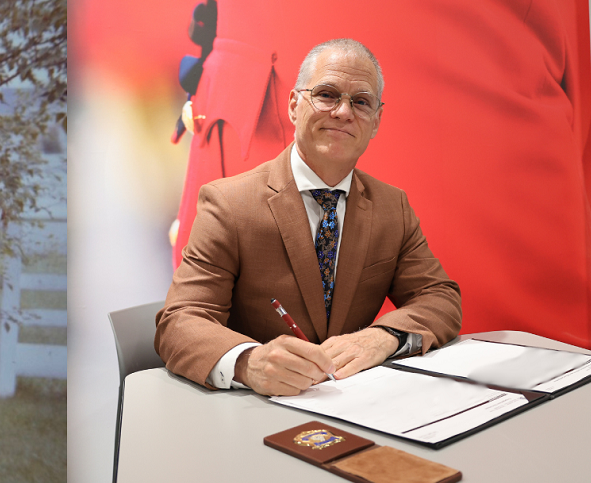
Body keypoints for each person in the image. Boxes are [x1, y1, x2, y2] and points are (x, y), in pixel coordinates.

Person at [155, 39, 462, 396]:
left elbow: (439, 296)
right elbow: (179, 322)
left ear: (375, 121)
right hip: (255, 412)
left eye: (361, 102)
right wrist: (248, 362)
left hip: (358, 408)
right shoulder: (228, 204)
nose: (344, 112)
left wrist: (381, 338)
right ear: (293, 105)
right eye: (327, 95)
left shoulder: (393, 207)